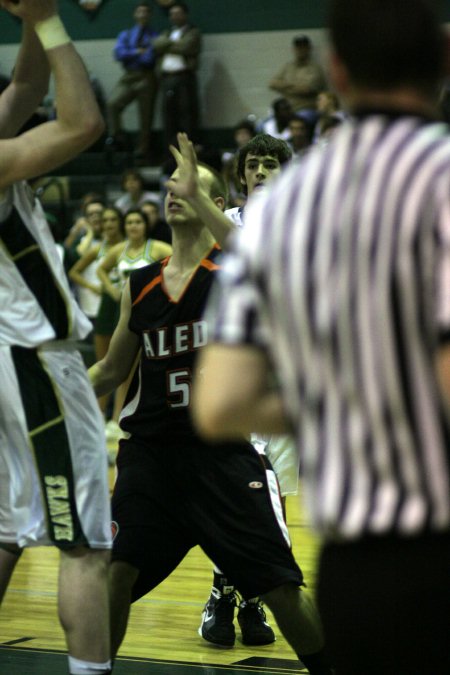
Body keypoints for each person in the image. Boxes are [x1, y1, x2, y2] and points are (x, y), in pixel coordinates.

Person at [193, 1, 450, 674]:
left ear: (334, 72)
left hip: (360, 557)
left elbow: (218, 402)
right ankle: (235, 587)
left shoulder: (287, 207)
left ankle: (237, 588)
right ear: (443, 66)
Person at [89, 138, 333, 674]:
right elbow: (109, 371)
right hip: (150, 457)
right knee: (112, 572)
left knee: (282, 588)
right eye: (172, 186)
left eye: (192, 187)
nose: (175, 192)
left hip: (221, 455)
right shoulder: (140, 284)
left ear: (216, 205)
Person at [0, 2, 112, 674]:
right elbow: (84, 122)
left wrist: (30, 18)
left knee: (9, 525)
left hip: (3, 358)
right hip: (34, 355)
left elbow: (28, 90)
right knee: (85, 544)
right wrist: (47, 19)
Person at [69, 206, 125, 419]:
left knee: (125, 364)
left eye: (113, 220)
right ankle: (99, 415)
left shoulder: (130, 246)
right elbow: (74, 272)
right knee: (102, 363)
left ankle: (117, 417)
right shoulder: (99, 248)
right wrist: (93, 287)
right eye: (106, 221)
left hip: (126, 304)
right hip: (105, 305)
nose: (109, 225)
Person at [107, 2, 158, 160]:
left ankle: (142, 149)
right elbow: (118, 54)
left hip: (146, 76)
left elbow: (149, 58)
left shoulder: (154, 36)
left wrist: (131, 54)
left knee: (145, 116)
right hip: (129, 76)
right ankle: (117, 138)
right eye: (140, 12)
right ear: (135, 15)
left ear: (149, 16)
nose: (142, 15)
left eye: (145, 12)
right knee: (112, 103)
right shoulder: (126, 34)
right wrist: (137, 51)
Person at [154, 1, 202, 150]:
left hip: (184, 78)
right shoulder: (167, 32)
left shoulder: (193, 32)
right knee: (169, 117)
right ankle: (170, 152)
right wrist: (174, 43)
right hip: (167, 78)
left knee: (186, 115)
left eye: (178, 13)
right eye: (172, 14)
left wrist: (167, 45)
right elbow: (156, 45)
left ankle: (188, 150)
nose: (174, 16)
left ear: (185, 15)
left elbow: (187, 47)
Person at [269, 35, 326, 125]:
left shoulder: (315, 68)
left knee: (298, 123)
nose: (300, 50)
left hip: (306, 109)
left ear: (309, 48)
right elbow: (272, 84)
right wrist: (293, 86)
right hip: (286, 110)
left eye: (303, 47)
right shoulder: (288, 66)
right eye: (298, 47)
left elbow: (306, 90)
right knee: (263, 125)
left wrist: (284, 87)